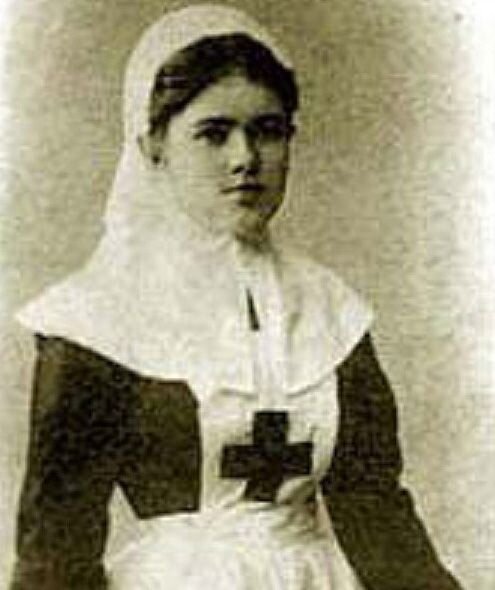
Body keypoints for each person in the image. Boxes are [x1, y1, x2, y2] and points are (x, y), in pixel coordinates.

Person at [10, 5, 463, 590]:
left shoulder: (331, 311)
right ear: (153, 146)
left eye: (267, 130)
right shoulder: (94, 321)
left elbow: (377, 515)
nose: (245, 158)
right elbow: (56, 552)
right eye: (214, 133)